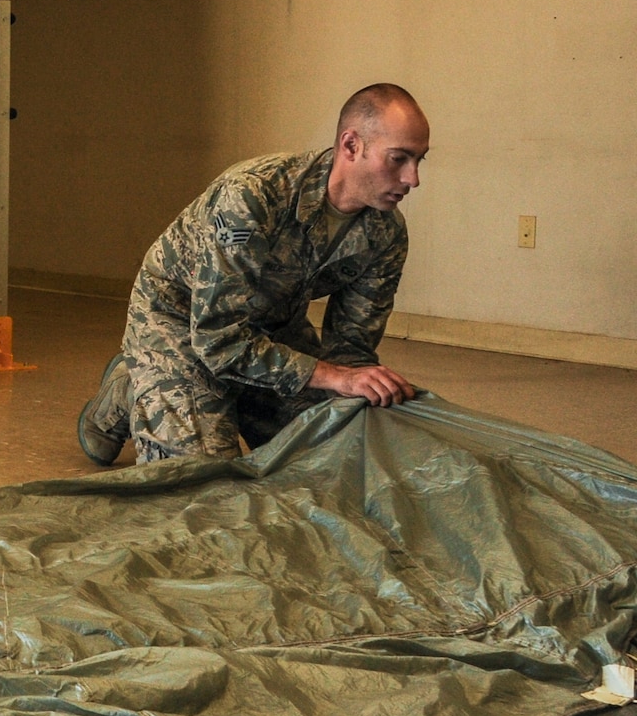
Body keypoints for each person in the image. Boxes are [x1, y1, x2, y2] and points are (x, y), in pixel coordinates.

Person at [78, 84, 429, 465]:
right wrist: (334, 377)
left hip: (270, 327)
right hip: (183, 325)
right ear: (350, 146)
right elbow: (217, 339)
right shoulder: (252, 194)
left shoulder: (385, 232)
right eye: (398, 159)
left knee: (339, 454)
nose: (412, 179)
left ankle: (219, 393)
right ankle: (133, 384)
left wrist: (360, 388)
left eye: (419, 161)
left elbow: (351, 351)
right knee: (202, 478)